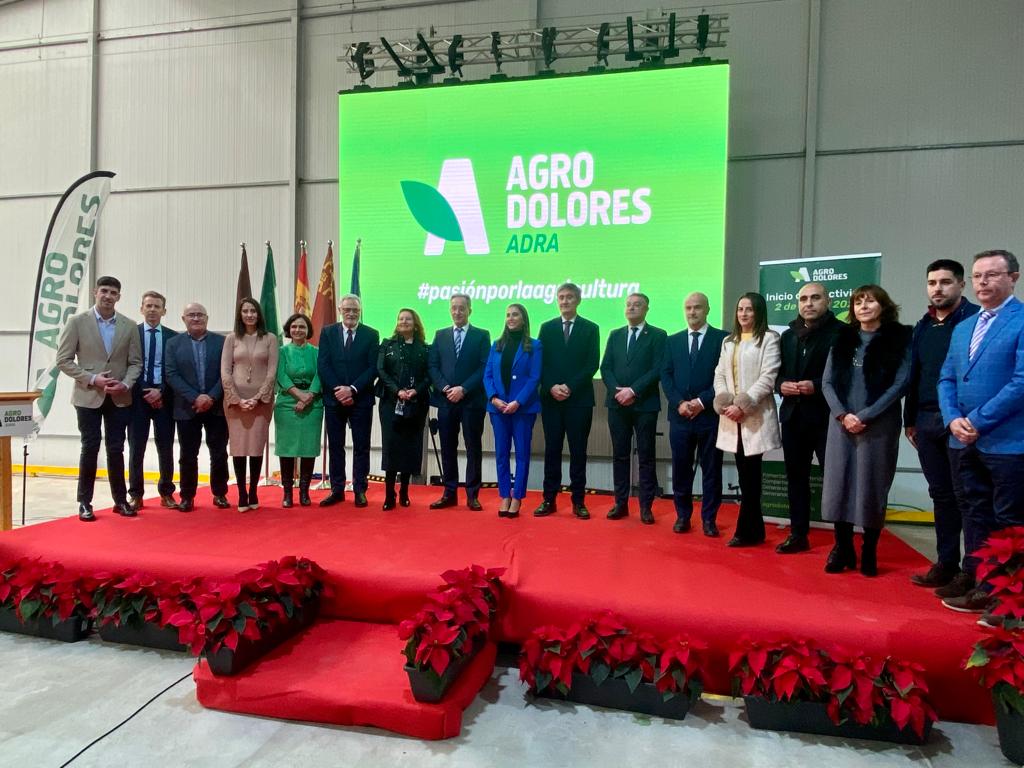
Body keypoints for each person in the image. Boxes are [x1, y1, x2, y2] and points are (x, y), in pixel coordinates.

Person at [938, 249, 1024, 613]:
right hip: (962, 439)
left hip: (1009, 443)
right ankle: (981, 584)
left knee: (1009, 521)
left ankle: (1010, 599)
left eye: (992, 274)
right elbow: (947, 378)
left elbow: (1021, 382)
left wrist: (978, 420)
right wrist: (952, 418)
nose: (983, 282)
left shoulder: (1021, 320)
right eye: (977, 276)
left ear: (1013, 278)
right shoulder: (963, 328)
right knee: (974, 513)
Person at [820, 285, 911, 576]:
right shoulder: (842, 339)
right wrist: (842, 415)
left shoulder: (899, 340)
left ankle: (869, 549)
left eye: (870, 301)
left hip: (878, 425)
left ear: (883, 306)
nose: (863, 306)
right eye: (858, 302)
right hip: (841, 424)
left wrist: (865, 415)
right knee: (839, 485)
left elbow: (901, 383)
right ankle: (842, 547)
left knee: (872, 485)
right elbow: (827, 382)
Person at [904, 260, 978, 594]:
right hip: (925, 420)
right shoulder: (923, 325)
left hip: (959, 420)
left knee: (967, 497)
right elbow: (915, 373)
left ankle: (972, 571)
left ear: (961, 285)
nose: (938, 288)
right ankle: (946, 563)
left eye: (945, 282)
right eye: (932, 282)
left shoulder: (974, 320)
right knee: (941, 495)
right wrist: (909, 420)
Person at [56, 276, 143, 521]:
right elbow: (63, 360)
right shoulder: (76, 322)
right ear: (95, 292)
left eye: (113, 292)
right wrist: (93, 379)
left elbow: (136, 363)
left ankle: (120, 501)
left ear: (119, 297)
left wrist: (125, 383)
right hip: (88, 396)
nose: (108, 296)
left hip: (119, 396)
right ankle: (85, 502)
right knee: (90, 447)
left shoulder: (129, 325)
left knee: (116, 449)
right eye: (104, 290)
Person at [775, 282, 843, 553]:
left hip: (828, 418)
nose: (808, 303)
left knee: (834, 479)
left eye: (815, 298)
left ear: (827, 301)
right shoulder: (788, 335)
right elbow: (778, 373)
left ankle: (841, 542)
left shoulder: (842, 333)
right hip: (793, 416)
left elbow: (845, 376)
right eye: (803, 299)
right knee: (796, 478)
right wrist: (780, 385)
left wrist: (816, 385)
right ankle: (798, 534)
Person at [713, 292, 782, 547]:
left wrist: (743, 404)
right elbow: (719, 374)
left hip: (755, 417)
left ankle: (745, 530)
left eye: (749, 309)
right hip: (731, 418)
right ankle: (755, 530)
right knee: (745, 475)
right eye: (740, 309)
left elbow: (768, 377)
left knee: (751, 475)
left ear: (759, 312)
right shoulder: (728, 341)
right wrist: (725, 400)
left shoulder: (769, 339)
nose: (743, 314)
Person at [662, 292, 728, 536]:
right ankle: (683, 516)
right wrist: (679, 402)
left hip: (709, 416)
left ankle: (709, 519)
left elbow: (724, 377)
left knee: (712, 470)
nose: (692, 312)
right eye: (688, 307)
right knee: (681, 469)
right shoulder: (672, 341)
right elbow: (666, 375)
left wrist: (701, 402)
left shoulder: (722, 339)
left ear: (707, 309)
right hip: (680, 416)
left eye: (697, 307)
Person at [534, 282, 600, 520]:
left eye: (569, 297)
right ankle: (548, 499)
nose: (564, 301)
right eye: (561, 297)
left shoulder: (591, 328)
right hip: (552, 400)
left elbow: (592, 364)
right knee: (552, 450)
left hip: (579, 400)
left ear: (578, 300)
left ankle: (578, 501)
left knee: (578, 452)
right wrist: (551, 386)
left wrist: (569, 386)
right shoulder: (547, 327)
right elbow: (540, 363)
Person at [601, 293, 667, 524]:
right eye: (628, 304)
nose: (631, 308)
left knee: (646, 456)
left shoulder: (658, 335)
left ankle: (646, 507)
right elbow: (605, 367)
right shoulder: (615, 334)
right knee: (620, 455)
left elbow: (658, 369)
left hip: (644, 405)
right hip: (617, 404)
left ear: (646, 308)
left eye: (637, 305)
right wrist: (617, 391)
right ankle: (620, 503)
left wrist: (633, 391)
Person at [164, 303, 230, 511]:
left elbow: (227, 372)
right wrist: (196, 398)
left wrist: (211, 397)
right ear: (183, 319)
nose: (196, 318)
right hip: (186, 407)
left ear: (207, 318)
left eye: (200, 314)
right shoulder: (173, 344)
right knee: (187, 455)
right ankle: (187, 496)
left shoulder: (222, 342)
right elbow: (171, 374)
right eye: (191, 315)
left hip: (216, 406)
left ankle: (220, 493)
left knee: (219, 452)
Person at [427, 294, 490, 511]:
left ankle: (472, 494)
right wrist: (445, 388)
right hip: (446, 401)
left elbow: (484, 367)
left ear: (469, 310)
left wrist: (463, 389)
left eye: (462, 308)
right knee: (447, 448)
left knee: (473, 447)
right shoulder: (440, 335)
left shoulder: (482, 335)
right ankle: (449, 493)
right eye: (454, 308)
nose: (457, 312)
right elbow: (433, 365)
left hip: (472, 401)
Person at [317, 293, 379, 508]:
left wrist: (352, 390)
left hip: (361, 399)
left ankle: (360, 489)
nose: (351, 313)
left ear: (360, 312)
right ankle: (337, 489)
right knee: (336, 446)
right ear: (340, 310)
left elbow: (373, 368)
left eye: (355, 310)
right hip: (334, 399)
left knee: (362, 446)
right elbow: (323, 364)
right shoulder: (327, 332)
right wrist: (339, 390)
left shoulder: (371, 334)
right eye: (347, 309)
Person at [484, 303, 543, 518]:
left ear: (523, 319)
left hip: (522, 409)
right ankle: (504, 495)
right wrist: (493, 398)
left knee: (522, 454)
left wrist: (518, 402)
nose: (510, 318)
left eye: (515, 314)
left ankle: (517, 497)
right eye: (508, 314)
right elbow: (487, 375)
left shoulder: (534, 345)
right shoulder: (496, 345)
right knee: (501, 454)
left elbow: (535, 377)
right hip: (498, 408)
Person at [221, 297, 279, 511]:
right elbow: (225, 371)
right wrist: (237, 399)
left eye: (253, 311)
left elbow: (272, 371)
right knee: (238, 448)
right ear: (240, 314)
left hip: (261, 402)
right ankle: (241, 493)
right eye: (245, 311)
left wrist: (258, 397)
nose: (249, 315)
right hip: (235, 402)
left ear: (259, 314)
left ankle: (253, 490)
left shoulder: (270, 338)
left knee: (255, 447)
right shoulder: (231, 338)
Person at [127, 291, 179, 512]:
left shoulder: (173, 338)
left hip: (164, 399)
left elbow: (174, 370)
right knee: (136, 447)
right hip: (137, 400)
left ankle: (166, 492)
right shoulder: (132, 334)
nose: (152, 310)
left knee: (165, 447)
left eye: (157, 306)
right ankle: (136, 495)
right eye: (148, 306)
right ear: (141, 309)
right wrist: (145, 392)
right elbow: (128, 365)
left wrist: (161, 392)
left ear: (164, 311)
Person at [377, 309, 431, 510]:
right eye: (400, 318)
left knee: (410, 447)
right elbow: (381, 370)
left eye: (408, 319)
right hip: (391, 403)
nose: (404, 321)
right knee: (391, 447)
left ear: (415, 324)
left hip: (416, 403)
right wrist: (397, 390)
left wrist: (415, 391)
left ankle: (405, 492)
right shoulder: (387, 345)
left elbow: (429, 374)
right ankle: (389, 494)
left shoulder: (425, 348)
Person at [274, 313, 323, 508]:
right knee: (286, 449)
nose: (297, 330)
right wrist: (299, 396)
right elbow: (281, 375)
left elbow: (320, 375)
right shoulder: (281, 352)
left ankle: (304, 492)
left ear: (308, 330)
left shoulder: (317, 352)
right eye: (294, 327)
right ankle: (287, 492)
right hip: (287, 403)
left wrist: (308, 396)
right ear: (289, 329)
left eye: (302, 327)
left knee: (308, 448)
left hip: (313, 403)